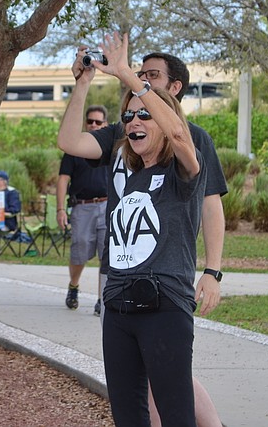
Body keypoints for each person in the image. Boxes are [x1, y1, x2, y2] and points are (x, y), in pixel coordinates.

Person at [59, 32, 211, 426]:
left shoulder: (184, 166)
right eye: (128, 115)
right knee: (128, 418)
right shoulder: (120, 163)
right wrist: (84, 83)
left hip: (165, 307)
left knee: (177, 416)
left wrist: (128, 75)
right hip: (119, 304)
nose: (134, 121)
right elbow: (68, 140)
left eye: (145, 114)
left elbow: (178, 133)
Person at [56, 105, 109, 315]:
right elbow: (63, 179)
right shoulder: (75, 148)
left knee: (107, 256)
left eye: (98, 122)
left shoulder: (111, 148)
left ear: (105, 124)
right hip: (82, 207)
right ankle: (74, 286)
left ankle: (101, 299)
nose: (93, 125)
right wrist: (60, 209)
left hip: (108, 207)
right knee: (79, 252)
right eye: (90, 121)